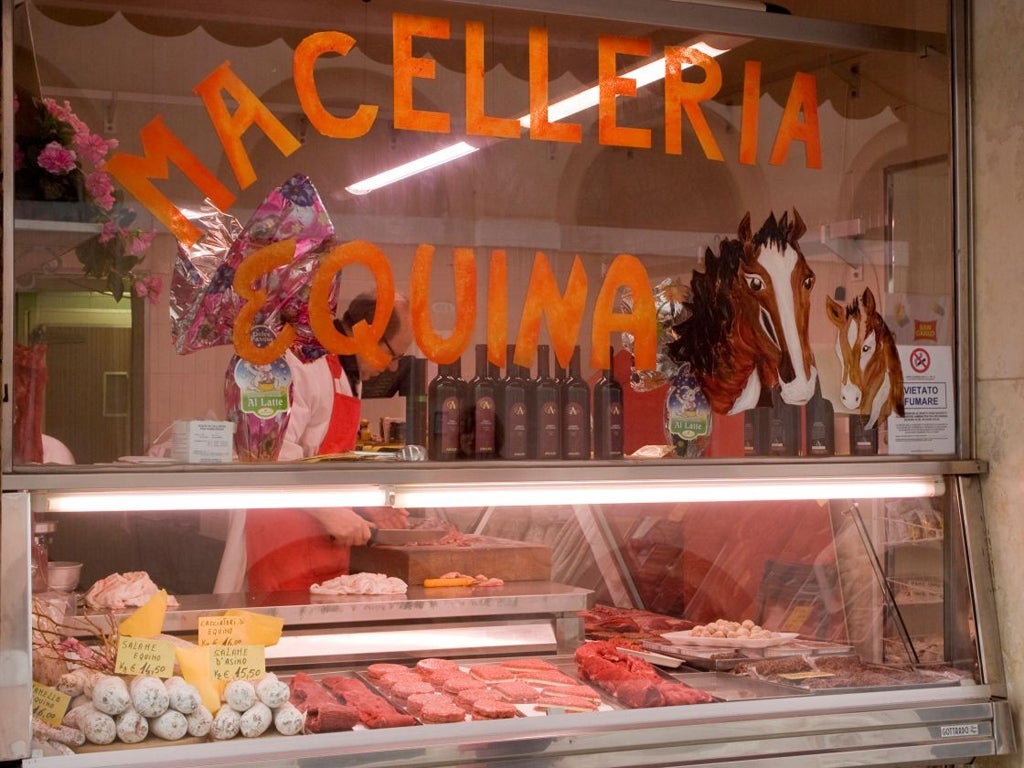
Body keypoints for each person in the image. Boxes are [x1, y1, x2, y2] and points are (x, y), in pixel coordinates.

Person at [243, 291, 414, 593]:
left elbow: (328, 461)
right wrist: (328, 511)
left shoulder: (349, 373)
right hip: (283, 539)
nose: (392, 368)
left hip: (328, 544)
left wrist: (364, 505)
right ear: (366, 333)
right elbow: (272, 458)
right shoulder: (298, 361)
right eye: (393, 355)